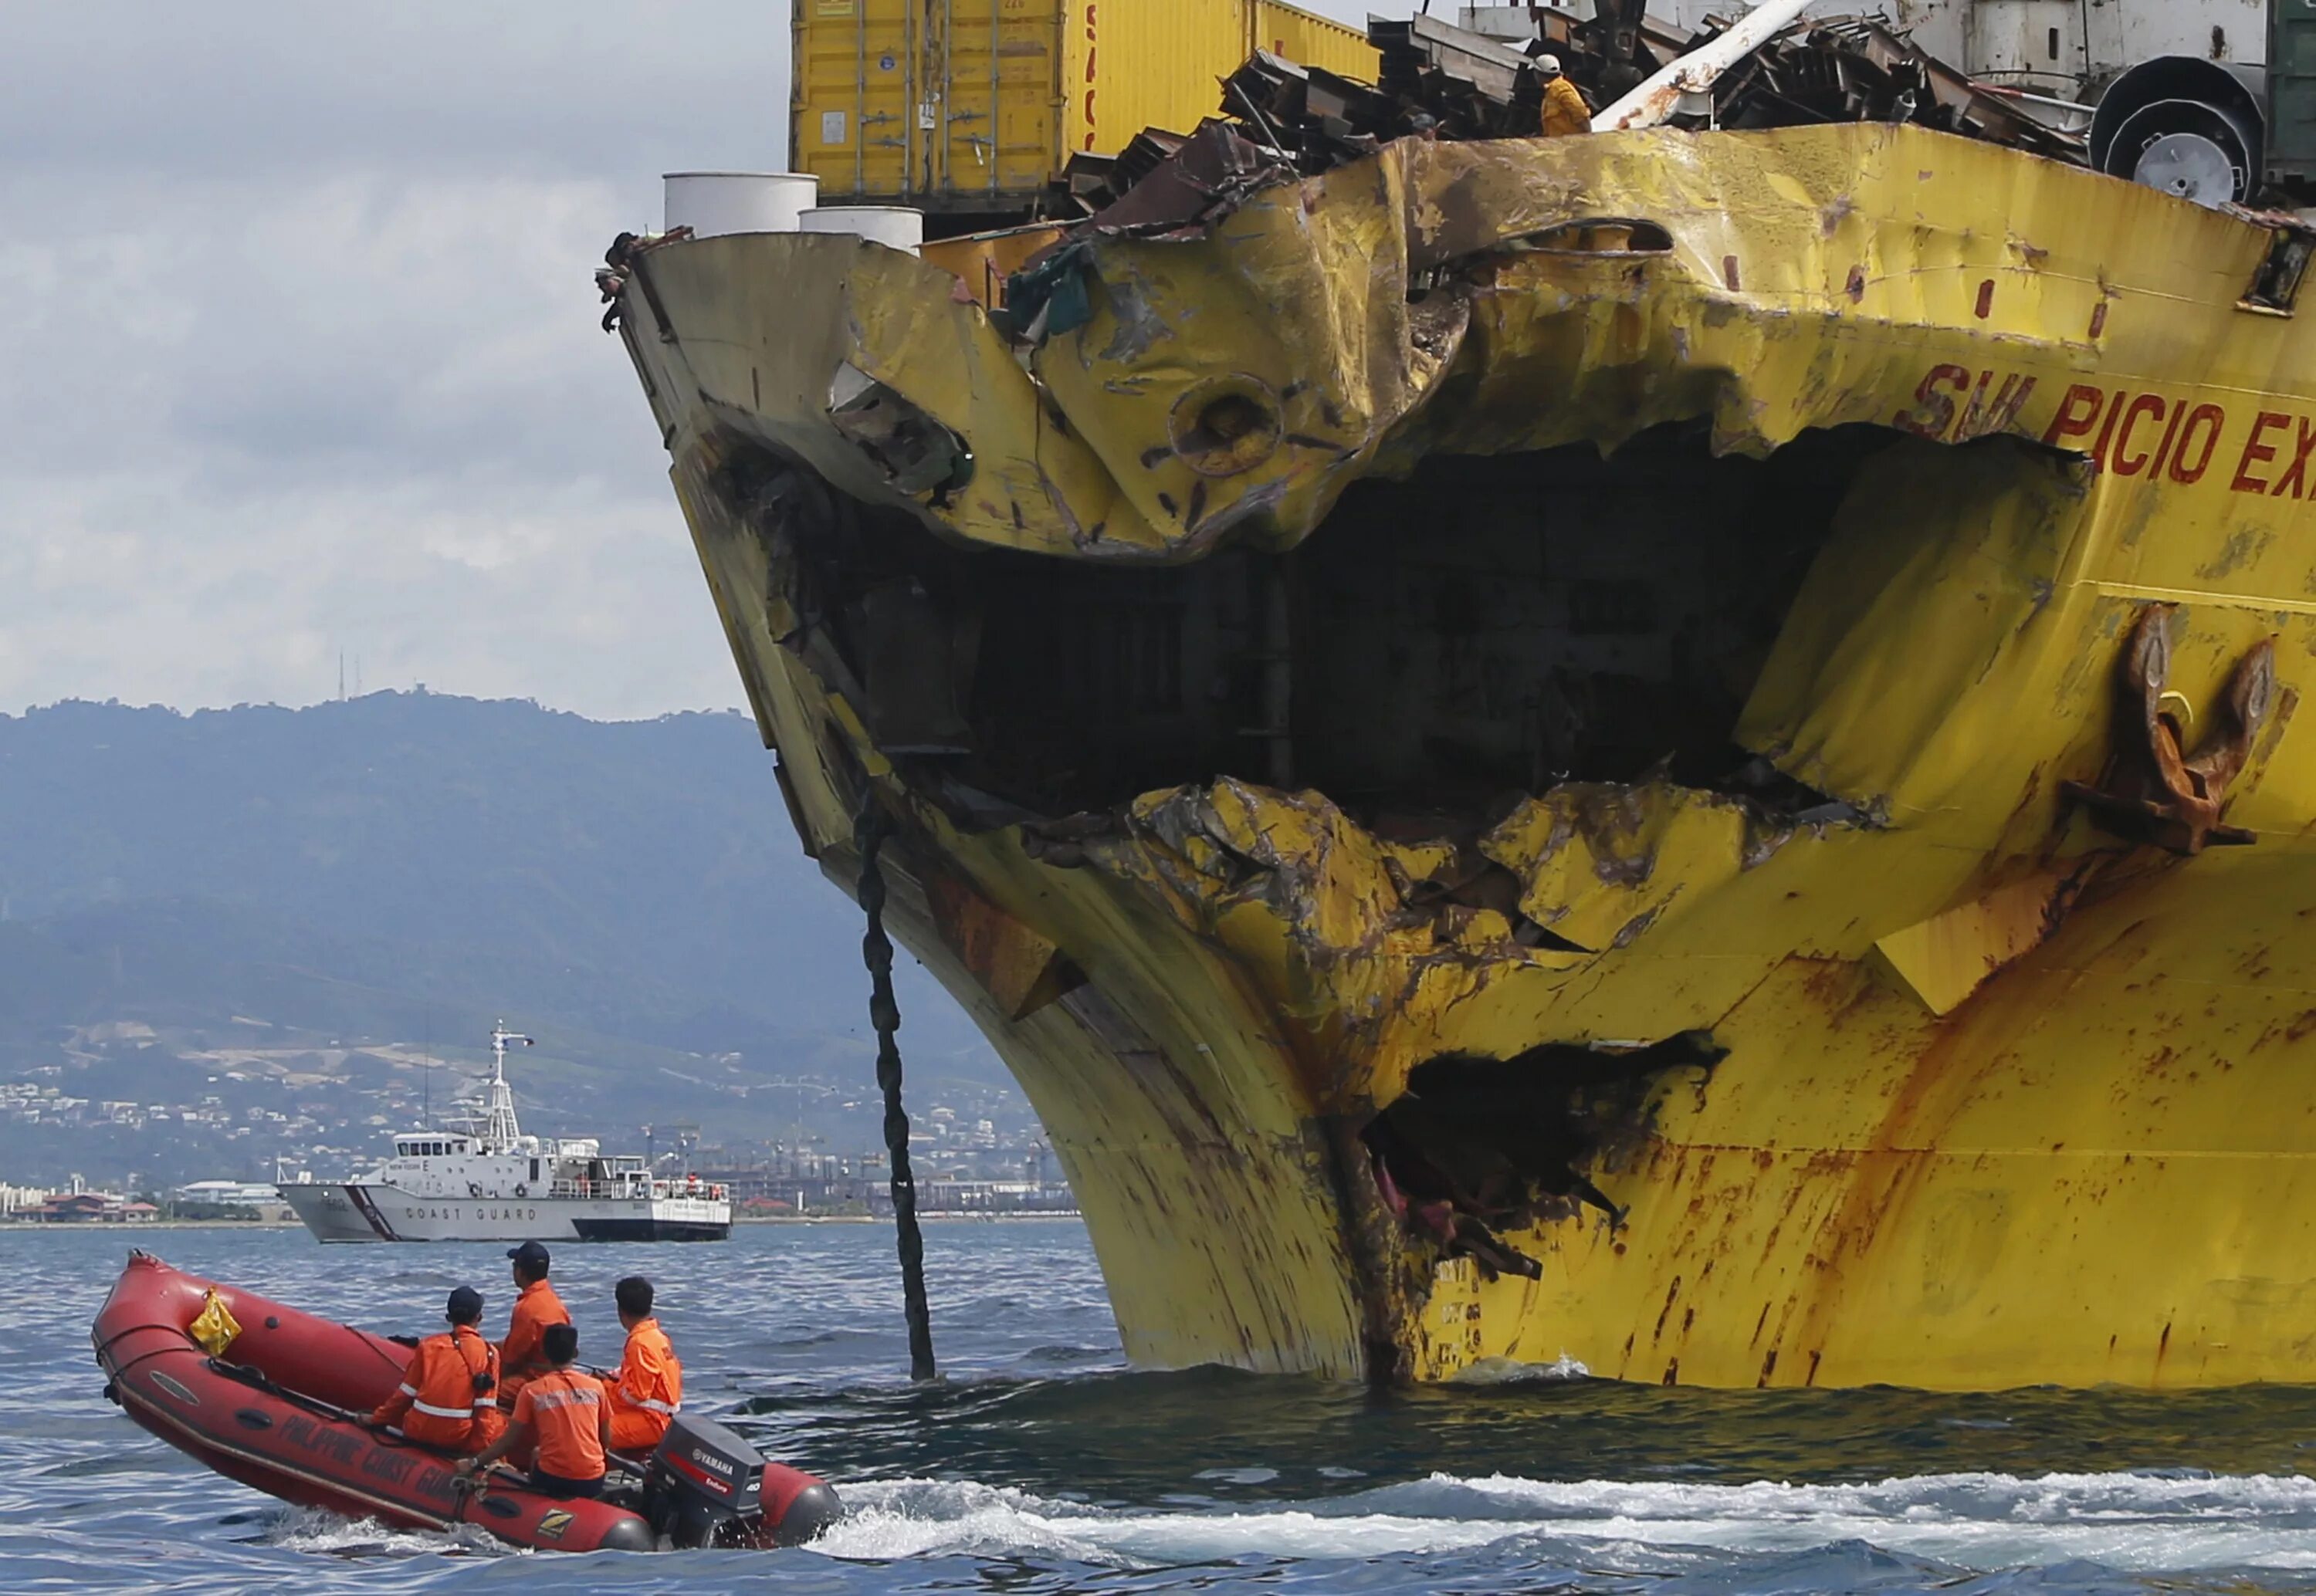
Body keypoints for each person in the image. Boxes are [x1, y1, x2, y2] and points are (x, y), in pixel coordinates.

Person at [455, 1322, 612, 1499]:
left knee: (537, 1453)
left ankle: (535, 1500)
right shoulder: (596, 1387)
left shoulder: (532, 1391)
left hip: (553, 1479)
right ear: (575, 1353)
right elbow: (606, 1439)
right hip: (593, 1480)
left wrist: (474, 1463)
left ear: (544, 1354)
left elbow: (508, 1442)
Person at [369, 1286, 505, 1455]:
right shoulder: (490, 1354)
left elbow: (403, 1396)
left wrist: (376, 1420)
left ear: (448, 1317)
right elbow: (486, 1409)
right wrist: (478, 1456)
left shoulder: (428, 1346)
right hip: (456, 1438)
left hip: (417, 1431)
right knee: (501, 1423)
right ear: (479, 1317)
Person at [604, 1275, 682, 1453]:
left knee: (591, 1427)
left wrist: (607, 1389)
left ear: (620, 1310)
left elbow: (636, 1395)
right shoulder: (657, 1337)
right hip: (664, 1417)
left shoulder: (639, 1343)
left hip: (653, 1422)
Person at [496, 1239, 570, 1408]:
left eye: (514, 1265)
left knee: (483, 1391)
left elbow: (511, 1359)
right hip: (556, 1372)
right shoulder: (555, 1301)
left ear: (520, 1272)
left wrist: (494, 1378)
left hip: (537, 1377)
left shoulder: (526, 1308)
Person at [1532, 54, 1594, 137]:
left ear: (1539, 73)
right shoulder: (1551, 91)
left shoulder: (1561, 89)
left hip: (1570, 144)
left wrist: (1587, 139)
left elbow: (1581, 115)